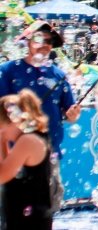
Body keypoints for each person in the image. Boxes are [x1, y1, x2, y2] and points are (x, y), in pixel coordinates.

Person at [0, 21, 81, 160]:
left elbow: (69, 113)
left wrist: (73, 115)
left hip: (50, 153)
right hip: (16, 153)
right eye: (38, 39)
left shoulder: (59, 75)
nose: (44, 44)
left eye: (48, 41)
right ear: (28, 42)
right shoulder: (7, 70)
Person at [0, 89, 53, 230]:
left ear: (12, 122)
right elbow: (10, 171)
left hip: (31, 221)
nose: (2, 131)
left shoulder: (28, 140)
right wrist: (2, 142)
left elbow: (2, 175)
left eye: (1, 127)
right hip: (26, 216)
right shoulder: (32, 137)